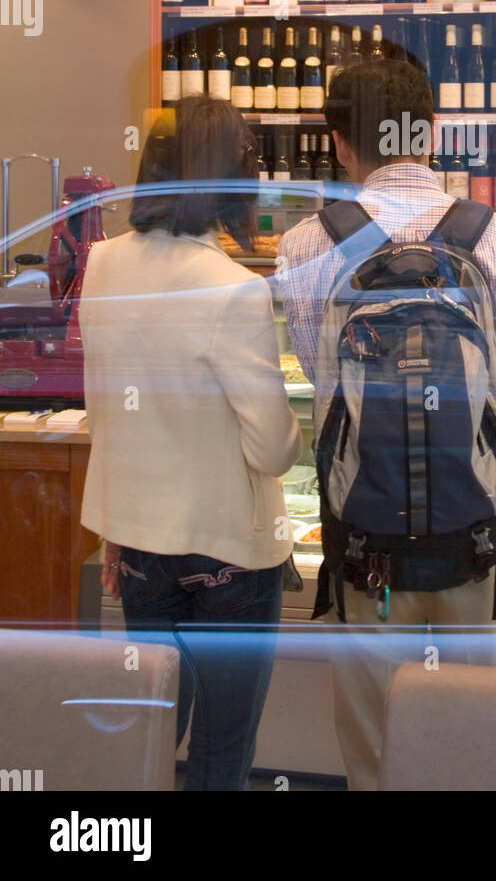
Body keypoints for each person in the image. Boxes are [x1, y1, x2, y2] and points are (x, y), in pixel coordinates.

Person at [277, 60, 496, 790]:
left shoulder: (307, 246)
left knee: (377, 758)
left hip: (368, 547)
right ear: (429, 134)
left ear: (338, 142)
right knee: (491, 749)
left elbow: (322, 382)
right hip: (485, 539)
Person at [80, 96, 302, 791]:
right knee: (220, 751)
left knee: (149, 735)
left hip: (143, 547)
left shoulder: (101, 264)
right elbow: (270, 450)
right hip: (231, 554)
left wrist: (115, 528)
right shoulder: (233, 290)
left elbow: (106, 411)